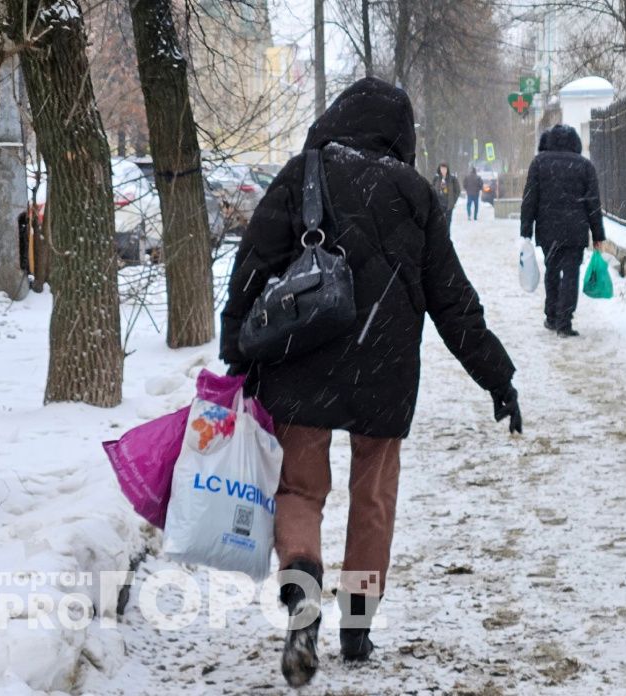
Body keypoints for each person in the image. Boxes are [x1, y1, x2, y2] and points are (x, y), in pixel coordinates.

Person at [220, 77, 522, 688]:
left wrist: (237, 348)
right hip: (383, 368)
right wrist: (498, 377)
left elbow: (252, 263)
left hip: (301, 355)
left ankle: (301, 599)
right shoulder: (415, 194)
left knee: (300, 491)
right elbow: (453, 301)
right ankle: (357, 625)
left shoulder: (303, 173)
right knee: (373, 498)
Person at [520, 124, 605, 337]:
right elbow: (593, 203)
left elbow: (530, 197)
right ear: (574, 143)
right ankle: (564, 322)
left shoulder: (539, 163)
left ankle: (551, 315)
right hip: (575, 230)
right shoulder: (584, 166)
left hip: (548, 230)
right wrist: (598, 234)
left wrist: (526, 228)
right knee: (571, 274)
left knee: (552, 271)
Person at [431, 162, 460, 234]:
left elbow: (457, 190)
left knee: (447, 223)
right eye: (442, 168)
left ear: (447, 169)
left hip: (448, 205)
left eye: (445, 168)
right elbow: (431, 189)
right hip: (439, 204)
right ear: (439, 169)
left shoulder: (452, 179)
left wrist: (453, 201)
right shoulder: (436, 178)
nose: (443, 170)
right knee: (438, 223)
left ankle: (447, 239)